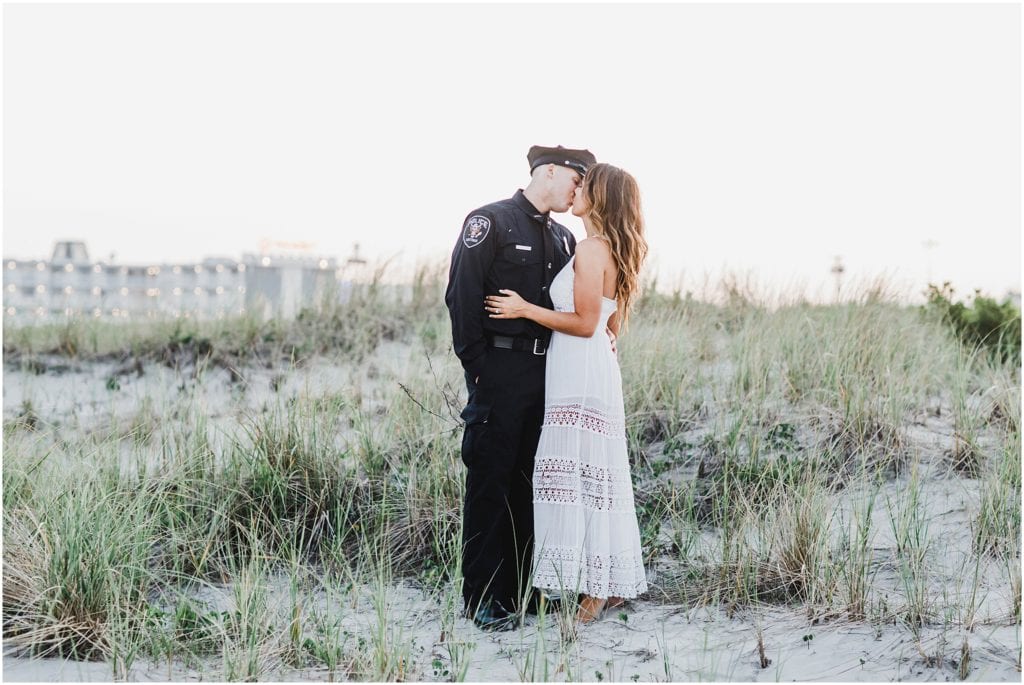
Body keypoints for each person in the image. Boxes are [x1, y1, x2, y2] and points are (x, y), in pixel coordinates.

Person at [484, 162, 649, 625]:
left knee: (581, 471)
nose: (577, 188)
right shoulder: (599, 247)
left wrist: (524, 309)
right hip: (583, 367)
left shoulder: (592, 248)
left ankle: (595, 592)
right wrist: (603, 338)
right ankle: (601, 585)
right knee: (591, 472)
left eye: (585, 184)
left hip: (579, 369)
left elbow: (584, 322)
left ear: (601, 197)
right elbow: (608, 323)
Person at [445, 144, 597, 631]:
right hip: (499, 371)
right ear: (548, 171)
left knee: (532, 486)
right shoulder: (489, 221)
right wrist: (480, 371)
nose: (579, 189)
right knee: (490, 483)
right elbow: (462, 299)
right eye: (576, 179)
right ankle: (483, 598)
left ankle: (523, 591)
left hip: (547, 377)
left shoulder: (565, 239)